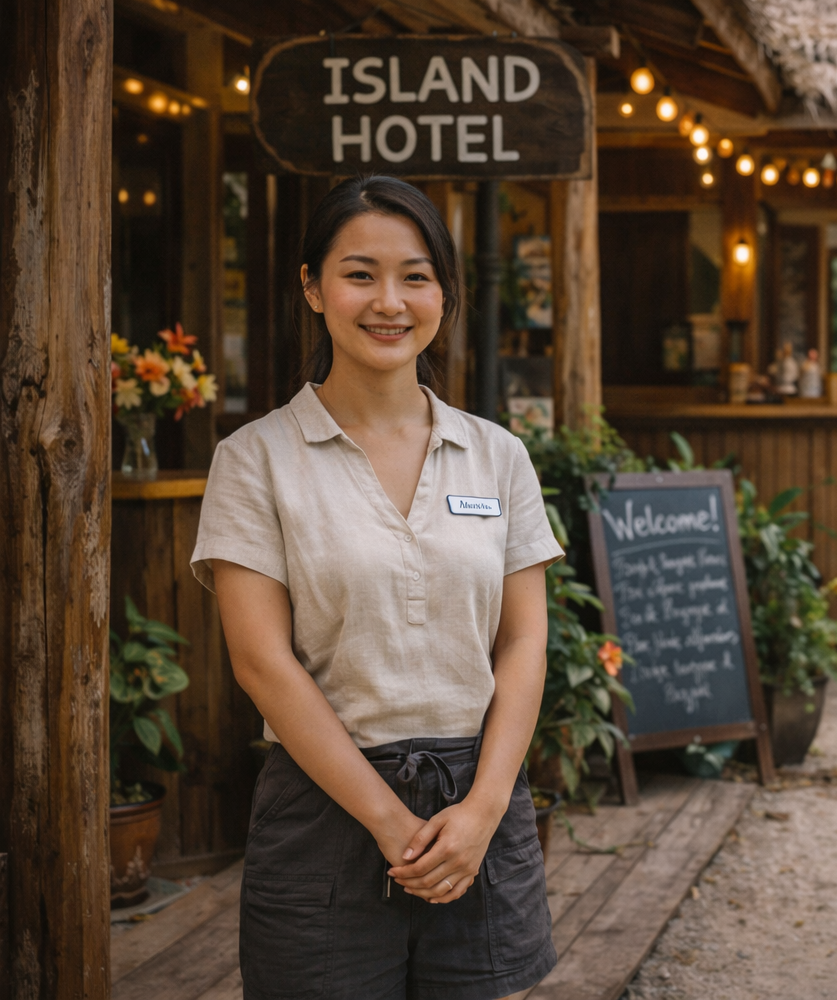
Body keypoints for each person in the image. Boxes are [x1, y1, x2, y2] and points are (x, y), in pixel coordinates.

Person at [191, 175, 563, 1000]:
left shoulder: (498, 455)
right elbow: (261, 664)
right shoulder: (254, 459)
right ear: (312, 287)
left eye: (416, 275)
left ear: (445, 294)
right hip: (326, 806)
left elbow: (524, 639)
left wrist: (482, 810)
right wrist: (392, 823)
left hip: (478, 804)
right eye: (360, 273)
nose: (389, 301)